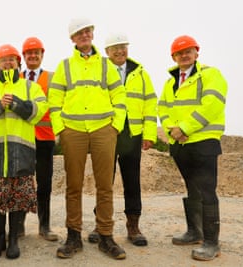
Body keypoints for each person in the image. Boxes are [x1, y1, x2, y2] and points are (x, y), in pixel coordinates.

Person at [48, 18, 127, 260]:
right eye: (79, 33)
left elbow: (119, 93)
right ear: (72, 39)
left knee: (105, 185)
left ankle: (106, 236)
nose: (84, 35)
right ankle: (73, 236)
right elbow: (54, 99)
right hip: (73, 130)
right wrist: (60, 128)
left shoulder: (106, 65)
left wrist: (116, 125)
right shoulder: (64, 66)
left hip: (104, 128)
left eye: (87, 31)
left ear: (92, 34)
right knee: (74, 185)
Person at [0, 44, 48, 259]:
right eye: (4, 60)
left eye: (12, 59)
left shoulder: (30, 86)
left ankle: (13, 240)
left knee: (17, 198)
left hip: (21, 152)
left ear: (18, 62)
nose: (8, 63)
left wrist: (16, 104)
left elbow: (39, 111)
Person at [158, 35, 227, 261]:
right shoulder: (170, 82)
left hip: (204, 141)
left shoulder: (210, 75)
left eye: (188, 51)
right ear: (174, 57)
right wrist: (172, 131)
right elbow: (163, 109)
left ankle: (211, 242)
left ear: (196, 52)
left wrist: (185, 127)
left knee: (207, 190)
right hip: (180, 143)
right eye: (179, 53)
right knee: (192, 189)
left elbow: (213, 104)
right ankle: (194, 232)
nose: (184, 55)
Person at [87, 33, 157, 246]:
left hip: (131, 133)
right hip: (106, 132)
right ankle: (101, 223)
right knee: (104, 180)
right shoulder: (99, 71)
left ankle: (133, 226)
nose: (120, 51)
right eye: (114, 47)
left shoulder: (140, 73)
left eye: (123, 47)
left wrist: (150, 134)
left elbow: (149, 103)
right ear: (107, 52)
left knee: (132, 180)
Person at [19, 36, 58, 241]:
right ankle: (19, 226)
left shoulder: (52, 78)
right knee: (23, 182)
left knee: (44, 183)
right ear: (23, 56)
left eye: (37, 52)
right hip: (22, 139)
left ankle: (44, 226)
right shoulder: (15, 77)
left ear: (42, 55)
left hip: (45, 138)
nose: (33, 55)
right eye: (29, 53)